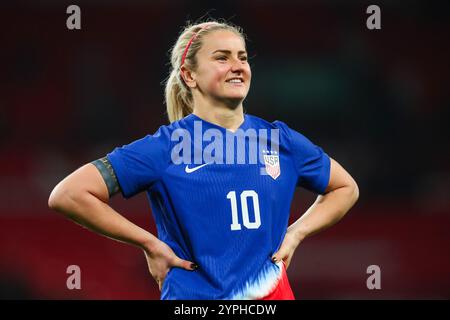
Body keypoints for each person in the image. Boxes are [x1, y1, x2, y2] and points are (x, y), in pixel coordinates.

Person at [48, 20, 359, 300]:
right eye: (222, 57)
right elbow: (69, 195)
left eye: (242, 57)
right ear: (189, 75)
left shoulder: (280, 140)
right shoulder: (165, 148)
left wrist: (296, 233)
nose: (238, 66)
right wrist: (150, 244)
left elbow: (346, 188)